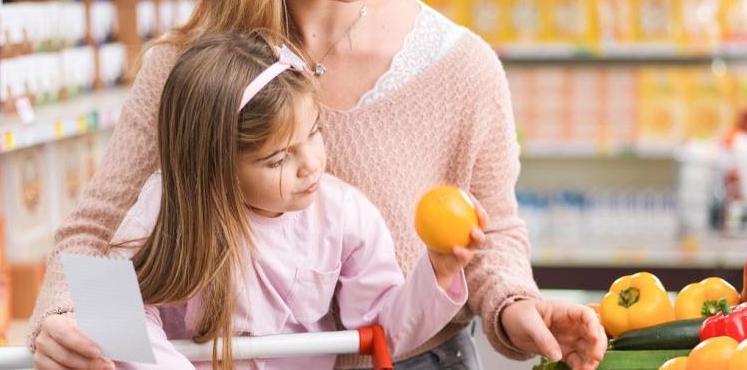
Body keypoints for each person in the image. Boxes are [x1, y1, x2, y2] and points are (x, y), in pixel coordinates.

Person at [29, 0, 607, 369]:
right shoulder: (192, 68)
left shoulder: (459, 66)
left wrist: (514, 303)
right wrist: (71, 319)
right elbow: (98, 234)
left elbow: (491, 231)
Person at [105, 31, 483, 369]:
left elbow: (383, 328)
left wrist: (439, 271)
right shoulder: (164, 205)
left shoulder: (343, 214)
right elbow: (108, 311)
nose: (311, 165)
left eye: (314, 133)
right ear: (214, 166)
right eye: (279, 159)